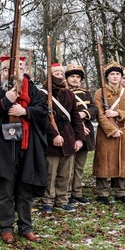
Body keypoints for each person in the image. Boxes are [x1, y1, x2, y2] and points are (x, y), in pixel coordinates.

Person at [0, 56, 48, 244]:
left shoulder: (33, 90)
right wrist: (6, 102)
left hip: (27, 147)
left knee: (25, 189)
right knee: (6, 190)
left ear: (24, 69)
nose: (12, 72)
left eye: (18, 68)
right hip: (3, 148)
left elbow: (43, 111)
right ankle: (6, 228)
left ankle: (26, 227)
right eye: (7, 69)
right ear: (1, 71)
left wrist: (25, 112)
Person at [41, 63, 86, 213]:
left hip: (68, 136)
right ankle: (47, 200)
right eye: (56, 73)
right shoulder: (41, 93)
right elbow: (43, 118)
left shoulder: (69, 94)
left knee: (65, 173)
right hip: (50, 138)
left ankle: (62, 200)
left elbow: (75, 118)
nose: (60, 76)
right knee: (50, 173)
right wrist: (54, 135)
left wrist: (79, 139)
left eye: (61, 73)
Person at [92, 61, 125, 204]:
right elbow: (99, 114)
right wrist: (111, 130)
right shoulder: (100, 92)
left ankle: (121, 192)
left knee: (122, 162)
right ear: (107, 76)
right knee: (103, 161)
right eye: (112, 74)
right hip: (106, 132)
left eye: (118, 74)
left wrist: (116, 113)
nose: (115, 77)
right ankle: (102, 192)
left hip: (123, 130)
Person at [65, 64, 97, 205]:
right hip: (71, 132)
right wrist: (78, 123)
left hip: (86, 132)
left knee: (79, 166)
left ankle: (77, 192)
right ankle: (65, 193)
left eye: (78, 77)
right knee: (68, 167)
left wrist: (85, 113)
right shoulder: (63, 92)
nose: (75, 79)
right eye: (72, 76)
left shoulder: (86, 93)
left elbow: (95, 109)